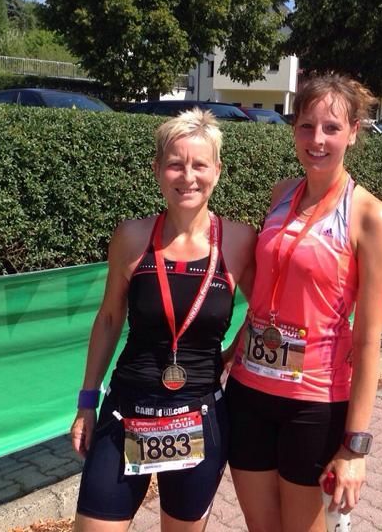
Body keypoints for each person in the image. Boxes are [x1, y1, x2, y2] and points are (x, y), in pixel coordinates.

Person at [224, 75, 382, 531]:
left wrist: (355, 447)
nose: (317, 139)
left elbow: (368, 340)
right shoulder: (281, 193)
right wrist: (237, 341)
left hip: (314, 403)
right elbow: (271, 289)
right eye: (306, 126)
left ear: (353, 132)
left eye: (331, 128)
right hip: (249, 391)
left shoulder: (371, 217)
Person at [70, 109, 256, 531]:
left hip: (198, 417)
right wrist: (86, 402)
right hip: (127, 411)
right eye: (175, 164)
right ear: (157, 170)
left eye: (200, 165)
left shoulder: (239, 240)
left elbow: (266, 311)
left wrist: (231, 354)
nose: (188, 176)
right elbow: (110, 317)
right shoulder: (132, 236)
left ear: (217, 171)